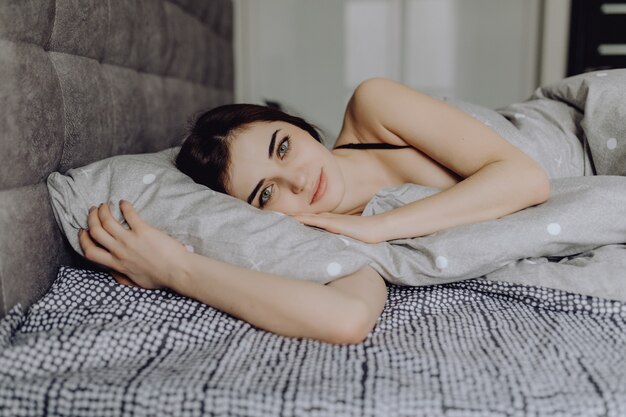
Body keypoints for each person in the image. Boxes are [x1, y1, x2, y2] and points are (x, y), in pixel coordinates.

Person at [78, 78, 550, 345]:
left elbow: (526, 178)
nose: (299, 180)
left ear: (297, 125)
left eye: (283, 147)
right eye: (266, 194)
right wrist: (175, 268)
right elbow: (345, 319)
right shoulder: (325, 240)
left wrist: (378, 226)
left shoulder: (374, 107)